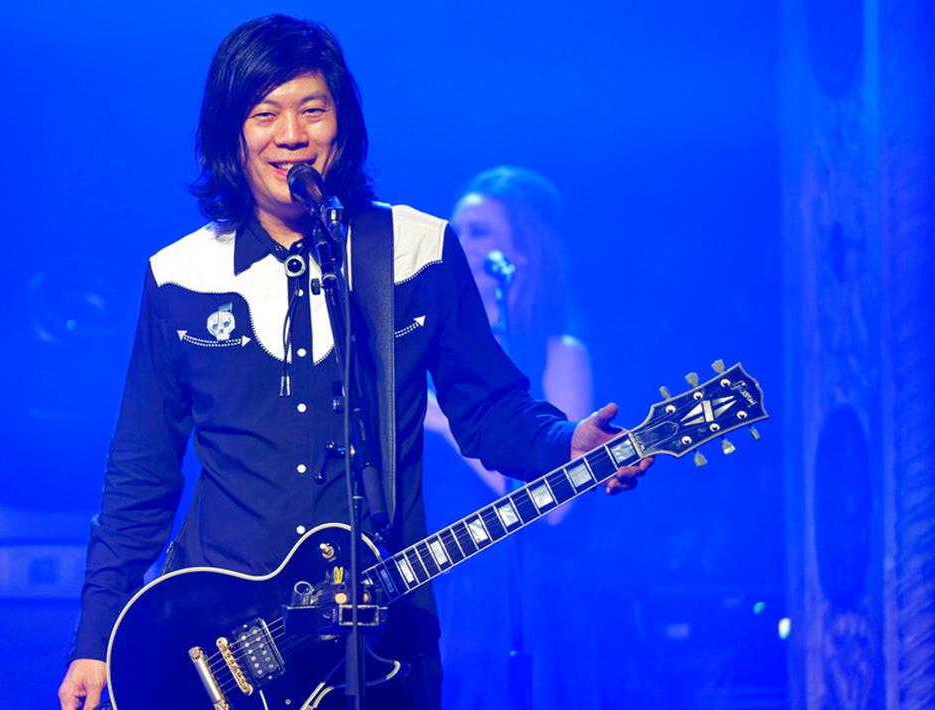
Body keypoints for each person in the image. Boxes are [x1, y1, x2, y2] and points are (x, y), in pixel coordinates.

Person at [57, 15, 651, 710]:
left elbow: (487, 410)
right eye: (264, 114)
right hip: (216, 645)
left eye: (313, 109)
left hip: (384, 642)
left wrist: (564, 443)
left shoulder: (414, 250)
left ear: (343, 124)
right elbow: (141, 471)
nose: (291, 135)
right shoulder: (181, 275)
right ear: (231, 133)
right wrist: (94, 639)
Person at [423, 166, 599, 708]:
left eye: (479, 233)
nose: (462, 246)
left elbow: (556, 505)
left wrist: (443, 420)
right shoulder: (426, 354)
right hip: (437, 587)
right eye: (456, 233)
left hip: (517, 594)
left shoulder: (555, 351)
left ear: (521, 253)